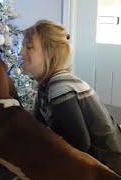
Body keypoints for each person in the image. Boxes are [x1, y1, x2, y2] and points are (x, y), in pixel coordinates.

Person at [20, 19, 121, 175]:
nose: (21, 52)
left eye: (29, 47)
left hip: (107, 165)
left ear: (50, 53)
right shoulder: (45, 86)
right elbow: (38, 127)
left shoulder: (60, 88)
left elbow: (79, 144)